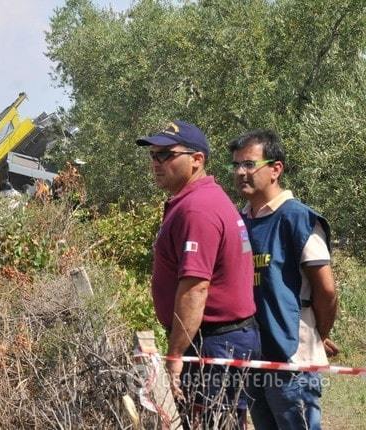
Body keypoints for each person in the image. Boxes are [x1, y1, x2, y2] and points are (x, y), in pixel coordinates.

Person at [136, 120, 259, 428]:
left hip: (213, 344)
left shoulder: (197, 209)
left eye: (166, 155)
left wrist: (175, 356)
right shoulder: (197, 201)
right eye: (153, 155)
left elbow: (195, 290)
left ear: (197, 160)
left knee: (214, 423)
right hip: (218, 341)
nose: (156, 162)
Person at [228, 129, 338, 430]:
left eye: (249, 164)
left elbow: (326, 291)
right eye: (236, 165)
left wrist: (317, 333)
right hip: (252, 356)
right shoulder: (241, 220)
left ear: (276, 169)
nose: (240, 172)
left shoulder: (298, 218)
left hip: (292, 358)